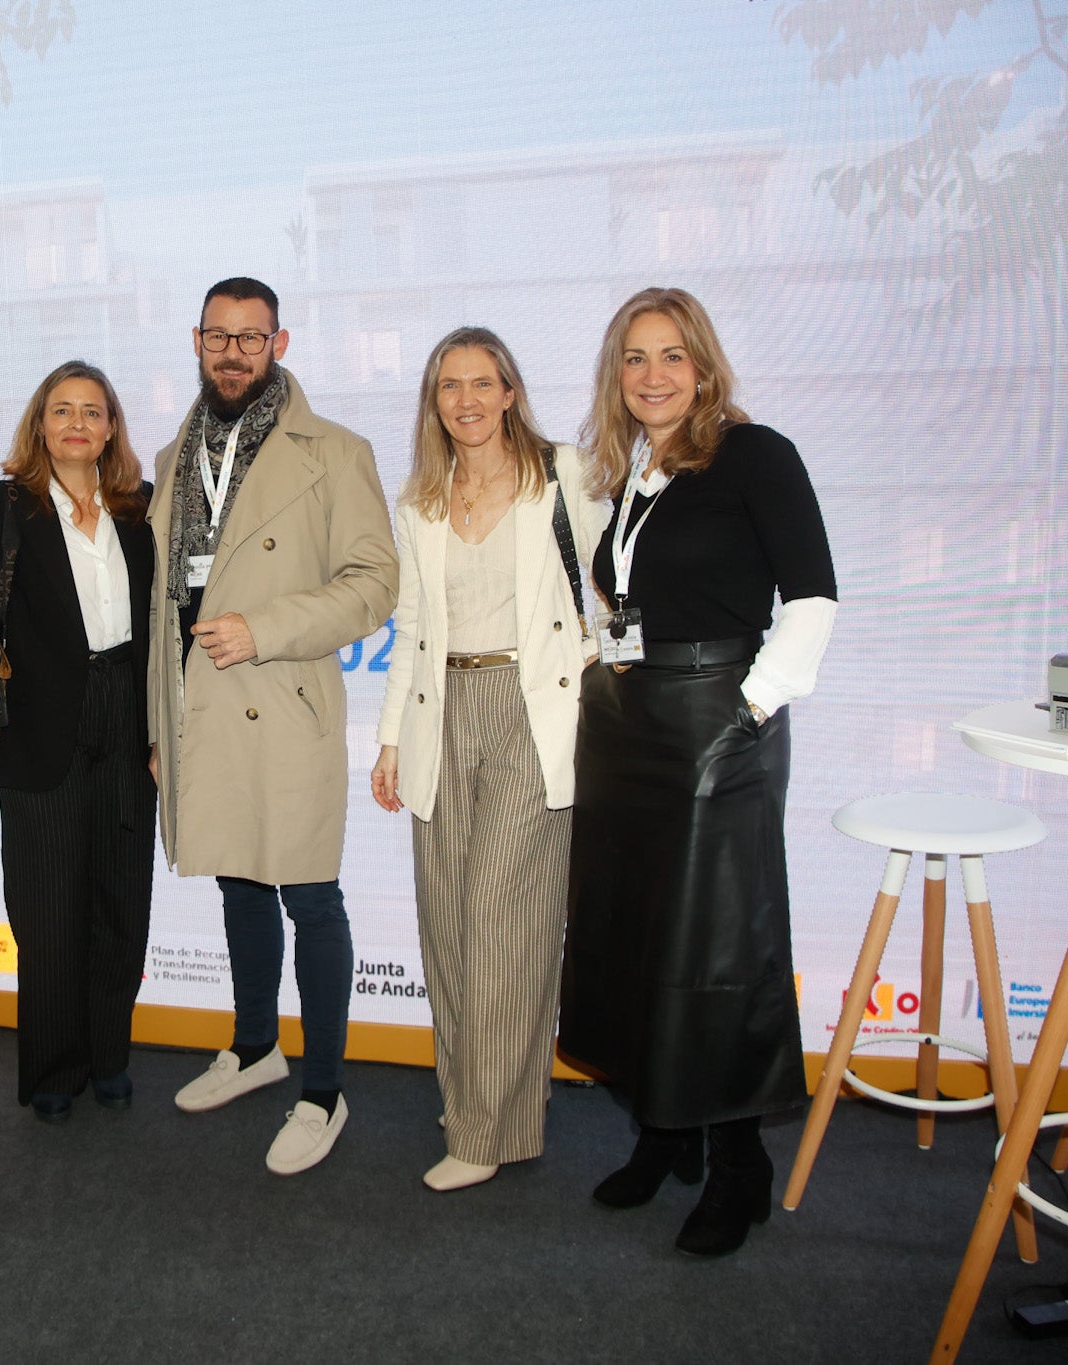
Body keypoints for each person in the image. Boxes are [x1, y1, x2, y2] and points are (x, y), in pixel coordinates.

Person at [555, 287, 838, 1256]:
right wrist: (600, 661)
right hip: (630, 727)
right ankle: (663, 1132)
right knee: (638, 936)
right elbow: (635, 599)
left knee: (718, 949)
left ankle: (737, 1167)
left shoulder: (755, 455)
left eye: (670, 356)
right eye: (633, 359)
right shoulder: (633, 469)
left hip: (720, 720)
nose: (651, 376)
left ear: (703, 364)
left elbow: (809, 600)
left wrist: (745, 717)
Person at [149, 276, 398, 1175]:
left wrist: (268, 628)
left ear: (280, 345)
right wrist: (156, 723)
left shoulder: (336, 450)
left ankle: (323, 1089)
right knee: (237, 879)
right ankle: (256, 1046)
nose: (233, 351)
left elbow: (375, 583)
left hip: (283, 696)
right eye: (218, 335)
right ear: (196, 338)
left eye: (251, 337)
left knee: (309, 894)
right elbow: (164, 603)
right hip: (200, 705)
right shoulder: (178, 451)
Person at [370, 327, 606, 1192]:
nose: (465, 400)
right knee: (448, 922)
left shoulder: (566, 475)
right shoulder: (422, 500)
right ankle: (467, 1100)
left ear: (511, 390)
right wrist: (392, 737)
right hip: (442, 715)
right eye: (447, 386)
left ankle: (489, 1132)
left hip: (531, 712)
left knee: (506, 923)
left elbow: (608, 594)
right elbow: (410, 631)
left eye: (482, 383)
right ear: (434, 402)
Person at [0, 360, 156, 1123]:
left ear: (112, 428)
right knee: (49, 908)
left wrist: (166, 735)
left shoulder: (139, 509)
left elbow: (165, 630)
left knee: (121, 905)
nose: (78, 424)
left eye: (94, 411)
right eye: (62, 410)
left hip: (127, 715)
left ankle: (110, 1056)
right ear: (39, 424)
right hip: (37, 726)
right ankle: (55, 1069)